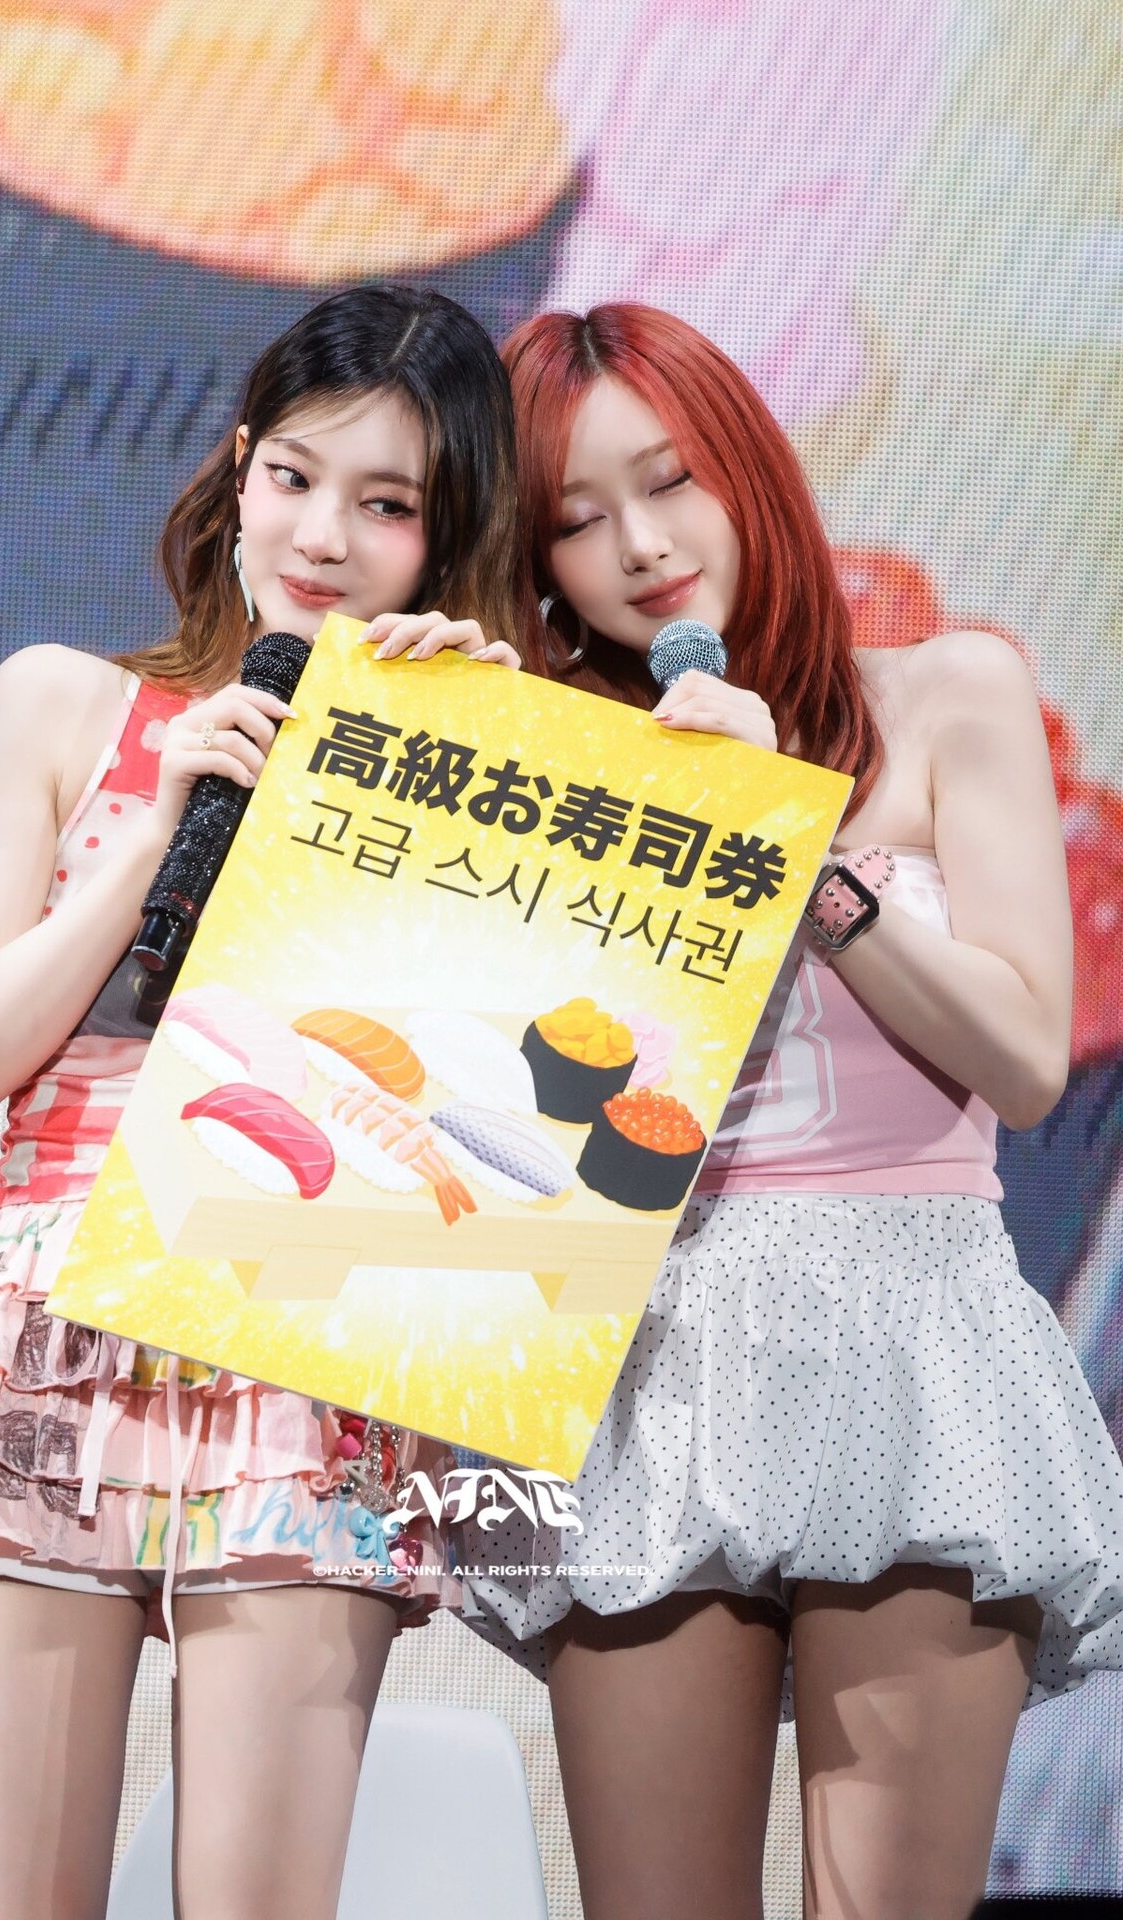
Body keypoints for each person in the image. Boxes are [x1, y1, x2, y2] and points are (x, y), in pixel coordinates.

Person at [0, 285, 527, 1920]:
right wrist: (157, 825)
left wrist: (484, 761)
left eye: (386, 505)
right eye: (294, 476)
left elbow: (500, 1133)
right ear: (236, 468)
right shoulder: (60, 701)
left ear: (444, 536)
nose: (322, 535)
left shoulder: (464, 764)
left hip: (303, 1328)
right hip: (50, 1316)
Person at [453, 303, 1123, 1920]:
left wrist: (791, 841)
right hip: (650, 1355)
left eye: (669, 480)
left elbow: (1024, 1058)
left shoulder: (949, 692)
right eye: (576, 519)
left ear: (747, 465)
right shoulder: (552, 767)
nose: (640, 546)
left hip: (907, 1330)